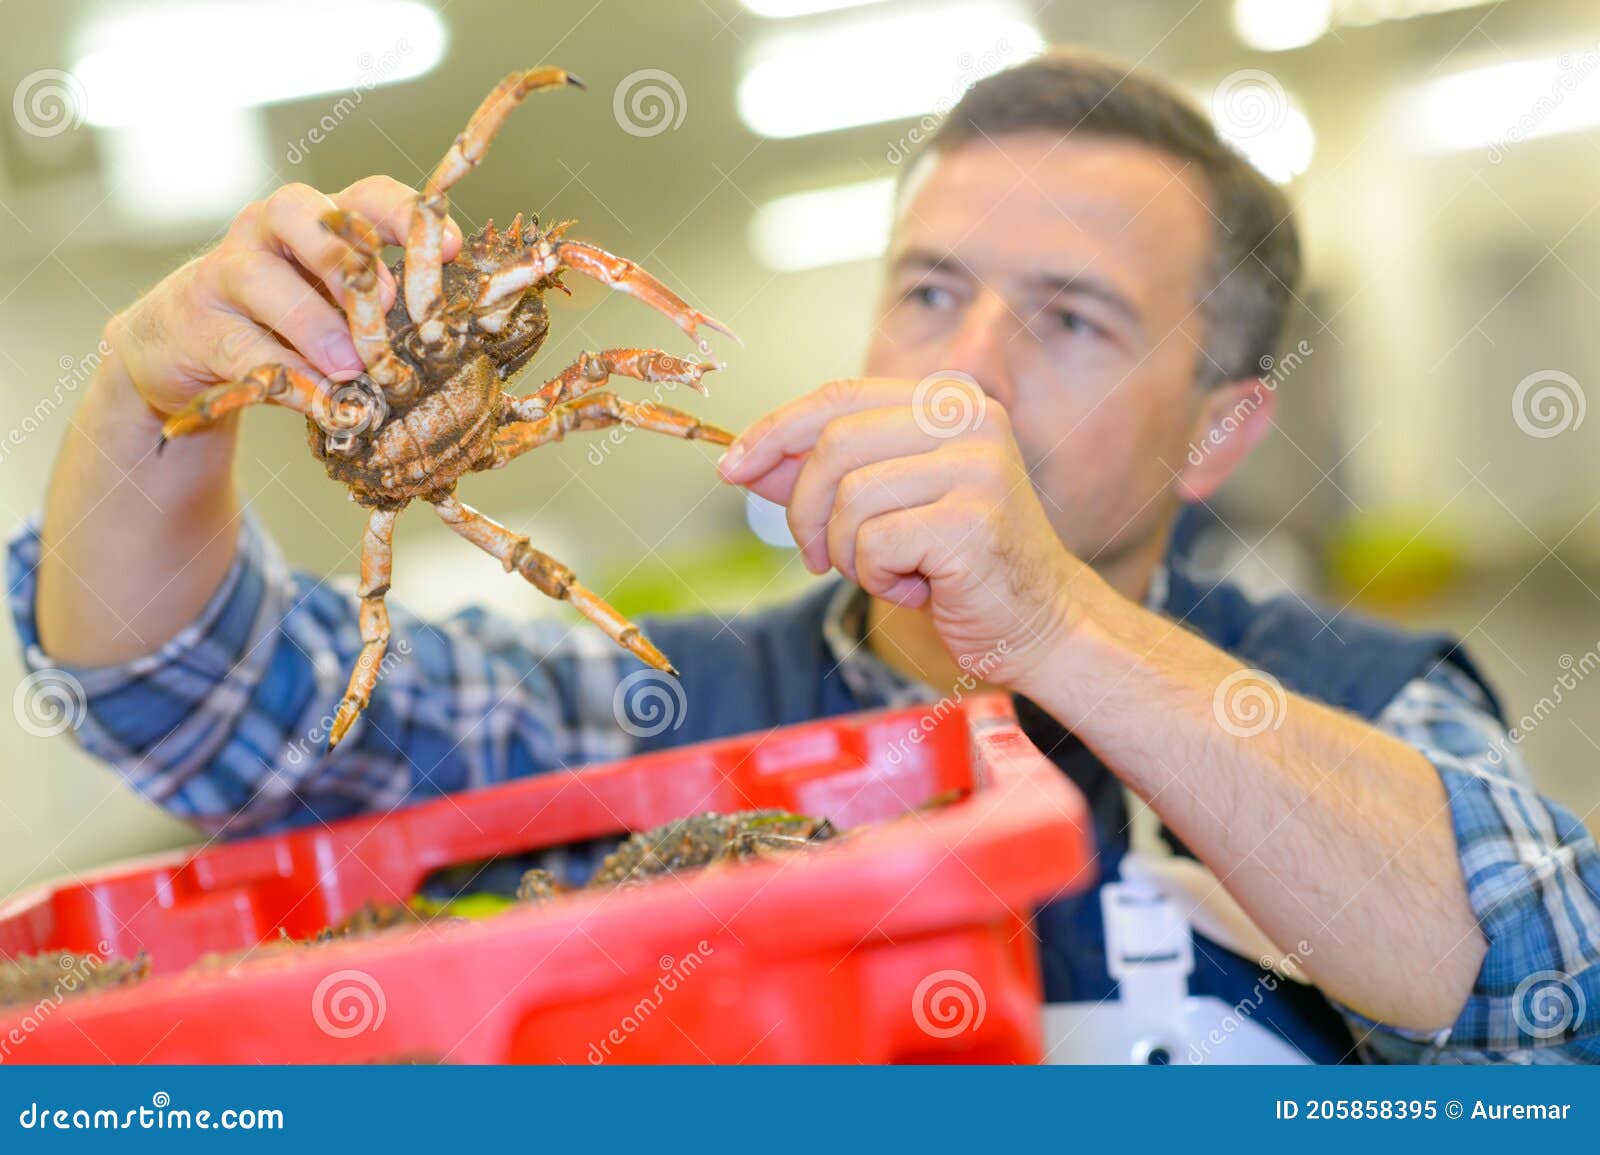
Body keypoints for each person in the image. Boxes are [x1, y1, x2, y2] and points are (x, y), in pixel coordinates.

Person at [13, 50, 1598, 1063]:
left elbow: (1555, 983)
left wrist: (1049, 626)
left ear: (1217, 436)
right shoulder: (662, 713)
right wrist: (146, 395)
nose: (962, 369)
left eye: (1070, 318)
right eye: (929, 290)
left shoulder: (1358, 700)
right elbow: (192, 703)